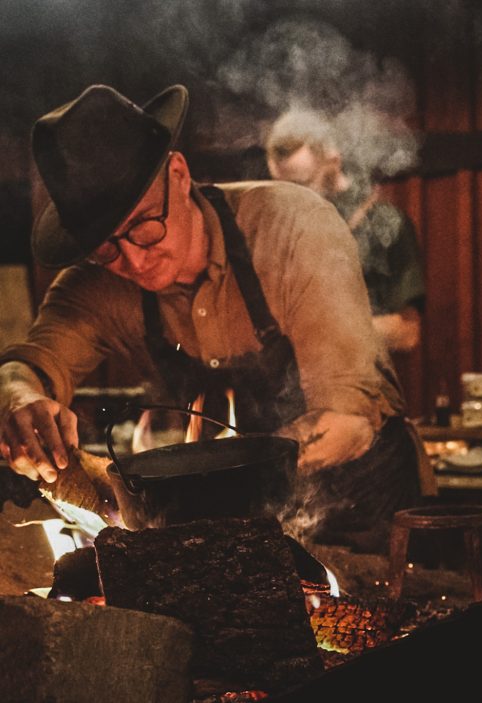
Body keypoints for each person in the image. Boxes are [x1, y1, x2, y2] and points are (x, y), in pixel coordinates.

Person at [0, 84, 434, 553]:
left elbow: (348, 423)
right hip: (230, 530)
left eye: (145, 225)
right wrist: (17, 401)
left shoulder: (294, 228)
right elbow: (29, 366)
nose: (134, 260)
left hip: (359, 510)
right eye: (105, 246)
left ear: (180, 175)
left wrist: (195, 483)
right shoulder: (93, 284)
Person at [265, 108, 426, 353]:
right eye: (283, 189)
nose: (291, 200)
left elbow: (406, 334)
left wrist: (318, 330)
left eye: (302, 185)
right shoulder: (280, 228)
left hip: (360, 387)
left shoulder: (385, 224)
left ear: (333, 161)